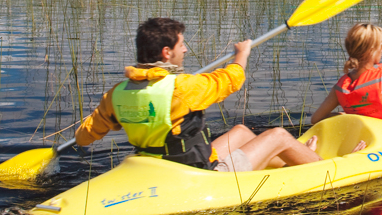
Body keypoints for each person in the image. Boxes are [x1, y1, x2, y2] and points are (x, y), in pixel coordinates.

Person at [74, 17, 322, 172]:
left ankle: (294, 163)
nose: (185, 49)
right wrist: (242, 55)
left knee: (242, 133)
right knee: (278, 135)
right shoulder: (183, 88)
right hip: (202, 174)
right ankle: (324, 169)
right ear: (166, 52)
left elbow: (84, 137)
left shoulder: (116, 94)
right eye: (181, 44)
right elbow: (231, 79)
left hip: (152, 167)